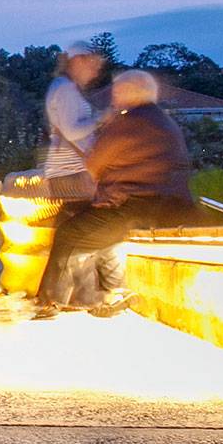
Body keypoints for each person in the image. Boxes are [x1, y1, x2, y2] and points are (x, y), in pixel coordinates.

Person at [33, 70, 194, 319]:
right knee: (101, 236)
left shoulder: (128, 122)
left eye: (118, 90)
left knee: (70, 233)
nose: (113, 96)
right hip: (171, 204)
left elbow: (96, 164)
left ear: (132, 92)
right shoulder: (162, 121)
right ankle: (112, 291)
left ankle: (51, 301)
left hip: (133, 206)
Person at [43, 42, 105, 198]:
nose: (96, 73)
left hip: (68, 172)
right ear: (78, 61)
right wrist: (101, 119)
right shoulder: (66, 89)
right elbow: (70, 132)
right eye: (93, 65)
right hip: (72, 172)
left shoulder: (65, 87)